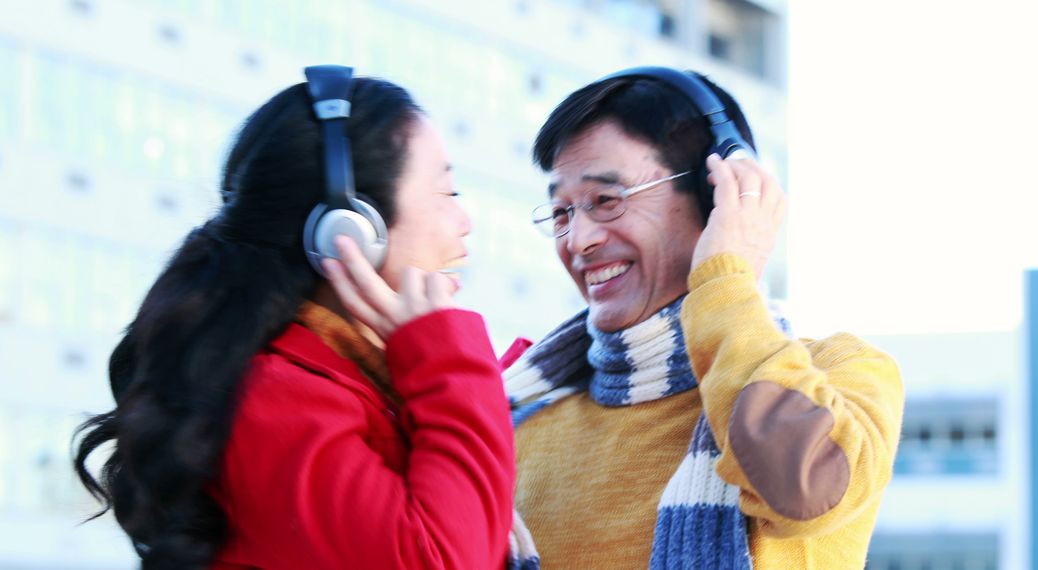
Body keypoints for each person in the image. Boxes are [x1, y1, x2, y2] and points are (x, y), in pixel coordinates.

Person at [72, 67, 514, 569]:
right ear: (349, 226)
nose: (464, 222)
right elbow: (440, 559)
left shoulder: (346, 383)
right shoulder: (272, 399)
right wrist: (445, 359)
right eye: (446, 194)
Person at [503, 68, 904, 569]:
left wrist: (726, 279)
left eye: (606, 201)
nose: (578, 241)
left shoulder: (837, 374)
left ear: (716, 195)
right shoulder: (517, 420)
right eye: (562, 213)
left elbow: (803, 487)